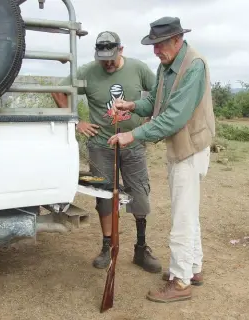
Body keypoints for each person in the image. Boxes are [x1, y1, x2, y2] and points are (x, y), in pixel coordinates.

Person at [108, 17, 215, 303]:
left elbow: (174, 117)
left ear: (177, 40)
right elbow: (155, 102)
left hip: (190, 149)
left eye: (159, 45)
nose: (155, 52)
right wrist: (132, 105)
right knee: (188, 210)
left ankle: (180, 283)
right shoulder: (166, 65)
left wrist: (133, 135)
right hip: (181, 148)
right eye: (153, 46)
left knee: (182, 215)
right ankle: (193, 269)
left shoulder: (194, 65)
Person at [51, 31, 162, 274]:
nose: (108, 63)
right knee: (103, 196)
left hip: (133, 145)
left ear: (121, 50)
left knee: (140, 193)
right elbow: (58, 91)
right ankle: (107, 247)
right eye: (103, 59)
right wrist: (77, 122)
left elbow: (158, 94)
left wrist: (148, 123)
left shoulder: (138, 68)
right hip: (101, 146)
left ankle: (141, 248)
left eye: (111, 58)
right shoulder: (88, 71)